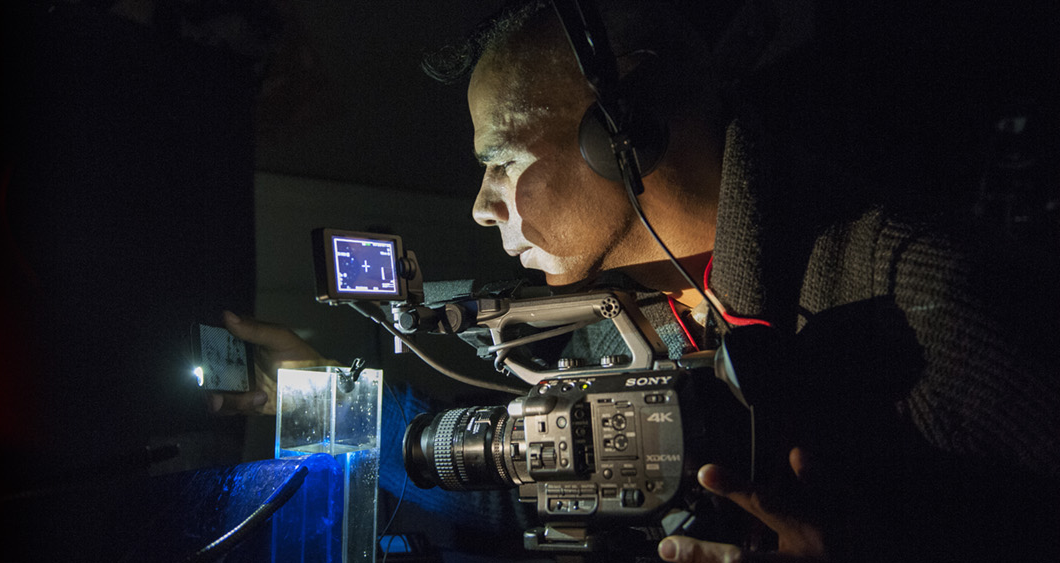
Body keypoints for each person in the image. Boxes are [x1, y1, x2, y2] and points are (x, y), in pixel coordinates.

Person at [213, 1, 1060, 561]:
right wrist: (327, 394)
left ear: (621, 135)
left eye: (502, 160)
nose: (480, 206)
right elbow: (521, 485)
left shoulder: (927, 292)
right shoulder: (616, 328)